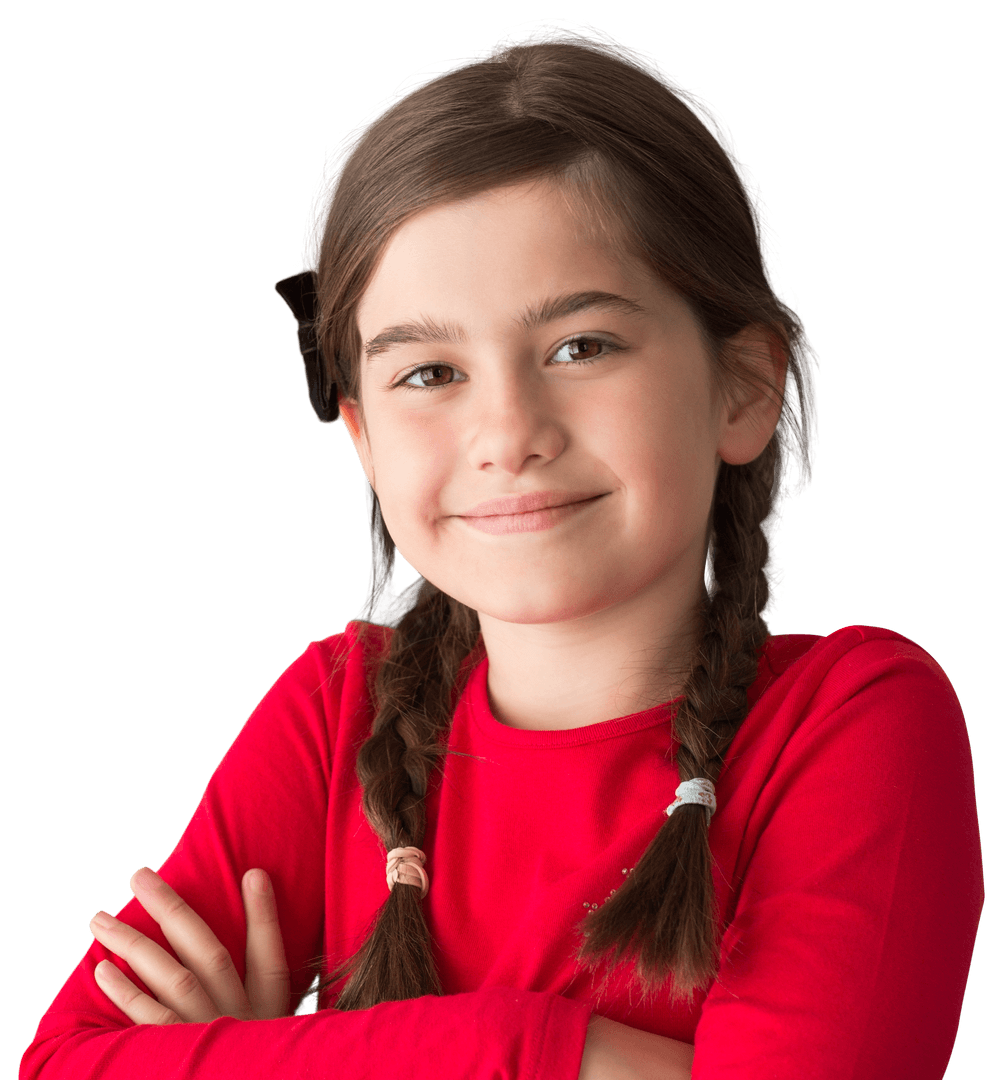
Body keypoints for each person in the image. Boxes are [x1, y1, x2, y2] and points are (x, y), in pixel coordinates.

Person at [20, 19, 983, 1080]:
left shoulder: (857, 720)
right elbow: (70, 1064)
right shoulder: (332, 714)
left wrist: (270, 1057)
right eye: (429, 372)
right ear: (364, 441)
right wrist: (576, 1055)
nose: (508, 433)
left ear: (744, 387)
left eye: (581, 346)